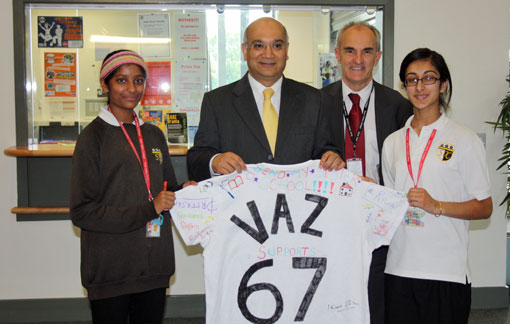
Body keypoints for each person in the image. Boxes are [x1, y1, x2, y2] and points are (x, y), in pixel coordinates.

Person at [70, 50, 186, 323]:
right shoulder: (92, 138)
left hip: (154, 266)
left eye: (139, 80)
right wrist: (149, 208)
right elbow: (82, 211)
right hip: (112, 269)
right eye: (122, 81)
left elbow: (167, 189)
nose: (132, 88)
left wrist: (188, 192)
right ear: (105, 85)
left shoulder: (153, 133)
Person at [381, 48, 493, 324]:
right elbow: (392, 202)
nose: (420, 86)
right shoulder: (393, 142)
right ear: (404, 85)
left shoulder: (464, 140)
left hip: (446, 273)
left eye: (428, 78)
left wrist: (437, 206)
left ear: (443, 85)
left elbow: (484, 207)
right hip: (399, 269)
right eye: (412, 79)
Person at [321, 21, 412, 324]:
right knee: (332, 299)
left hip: (379, 218)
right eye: (349, 50)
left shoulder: (399, 106)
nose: (357, 59)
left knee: (376, 299)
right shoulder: (316, 103)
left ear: (378, 56)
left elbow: (408, 166)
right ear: (337, 54)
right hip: (330, 219)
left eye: (366, 51)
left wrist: (382, 189)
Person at [187, 17, 344, 182]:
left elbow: (326, 151)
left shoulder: (315, 100)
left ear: (286, 50)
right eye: (258, 45)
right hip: (239, 205)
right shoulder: (217, 102)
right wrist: (214, 161)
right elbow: (196, 159)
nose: (268, 54)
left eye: (276, 45)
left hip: (299, 204)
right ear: (245, 51)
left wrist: (331, 157)